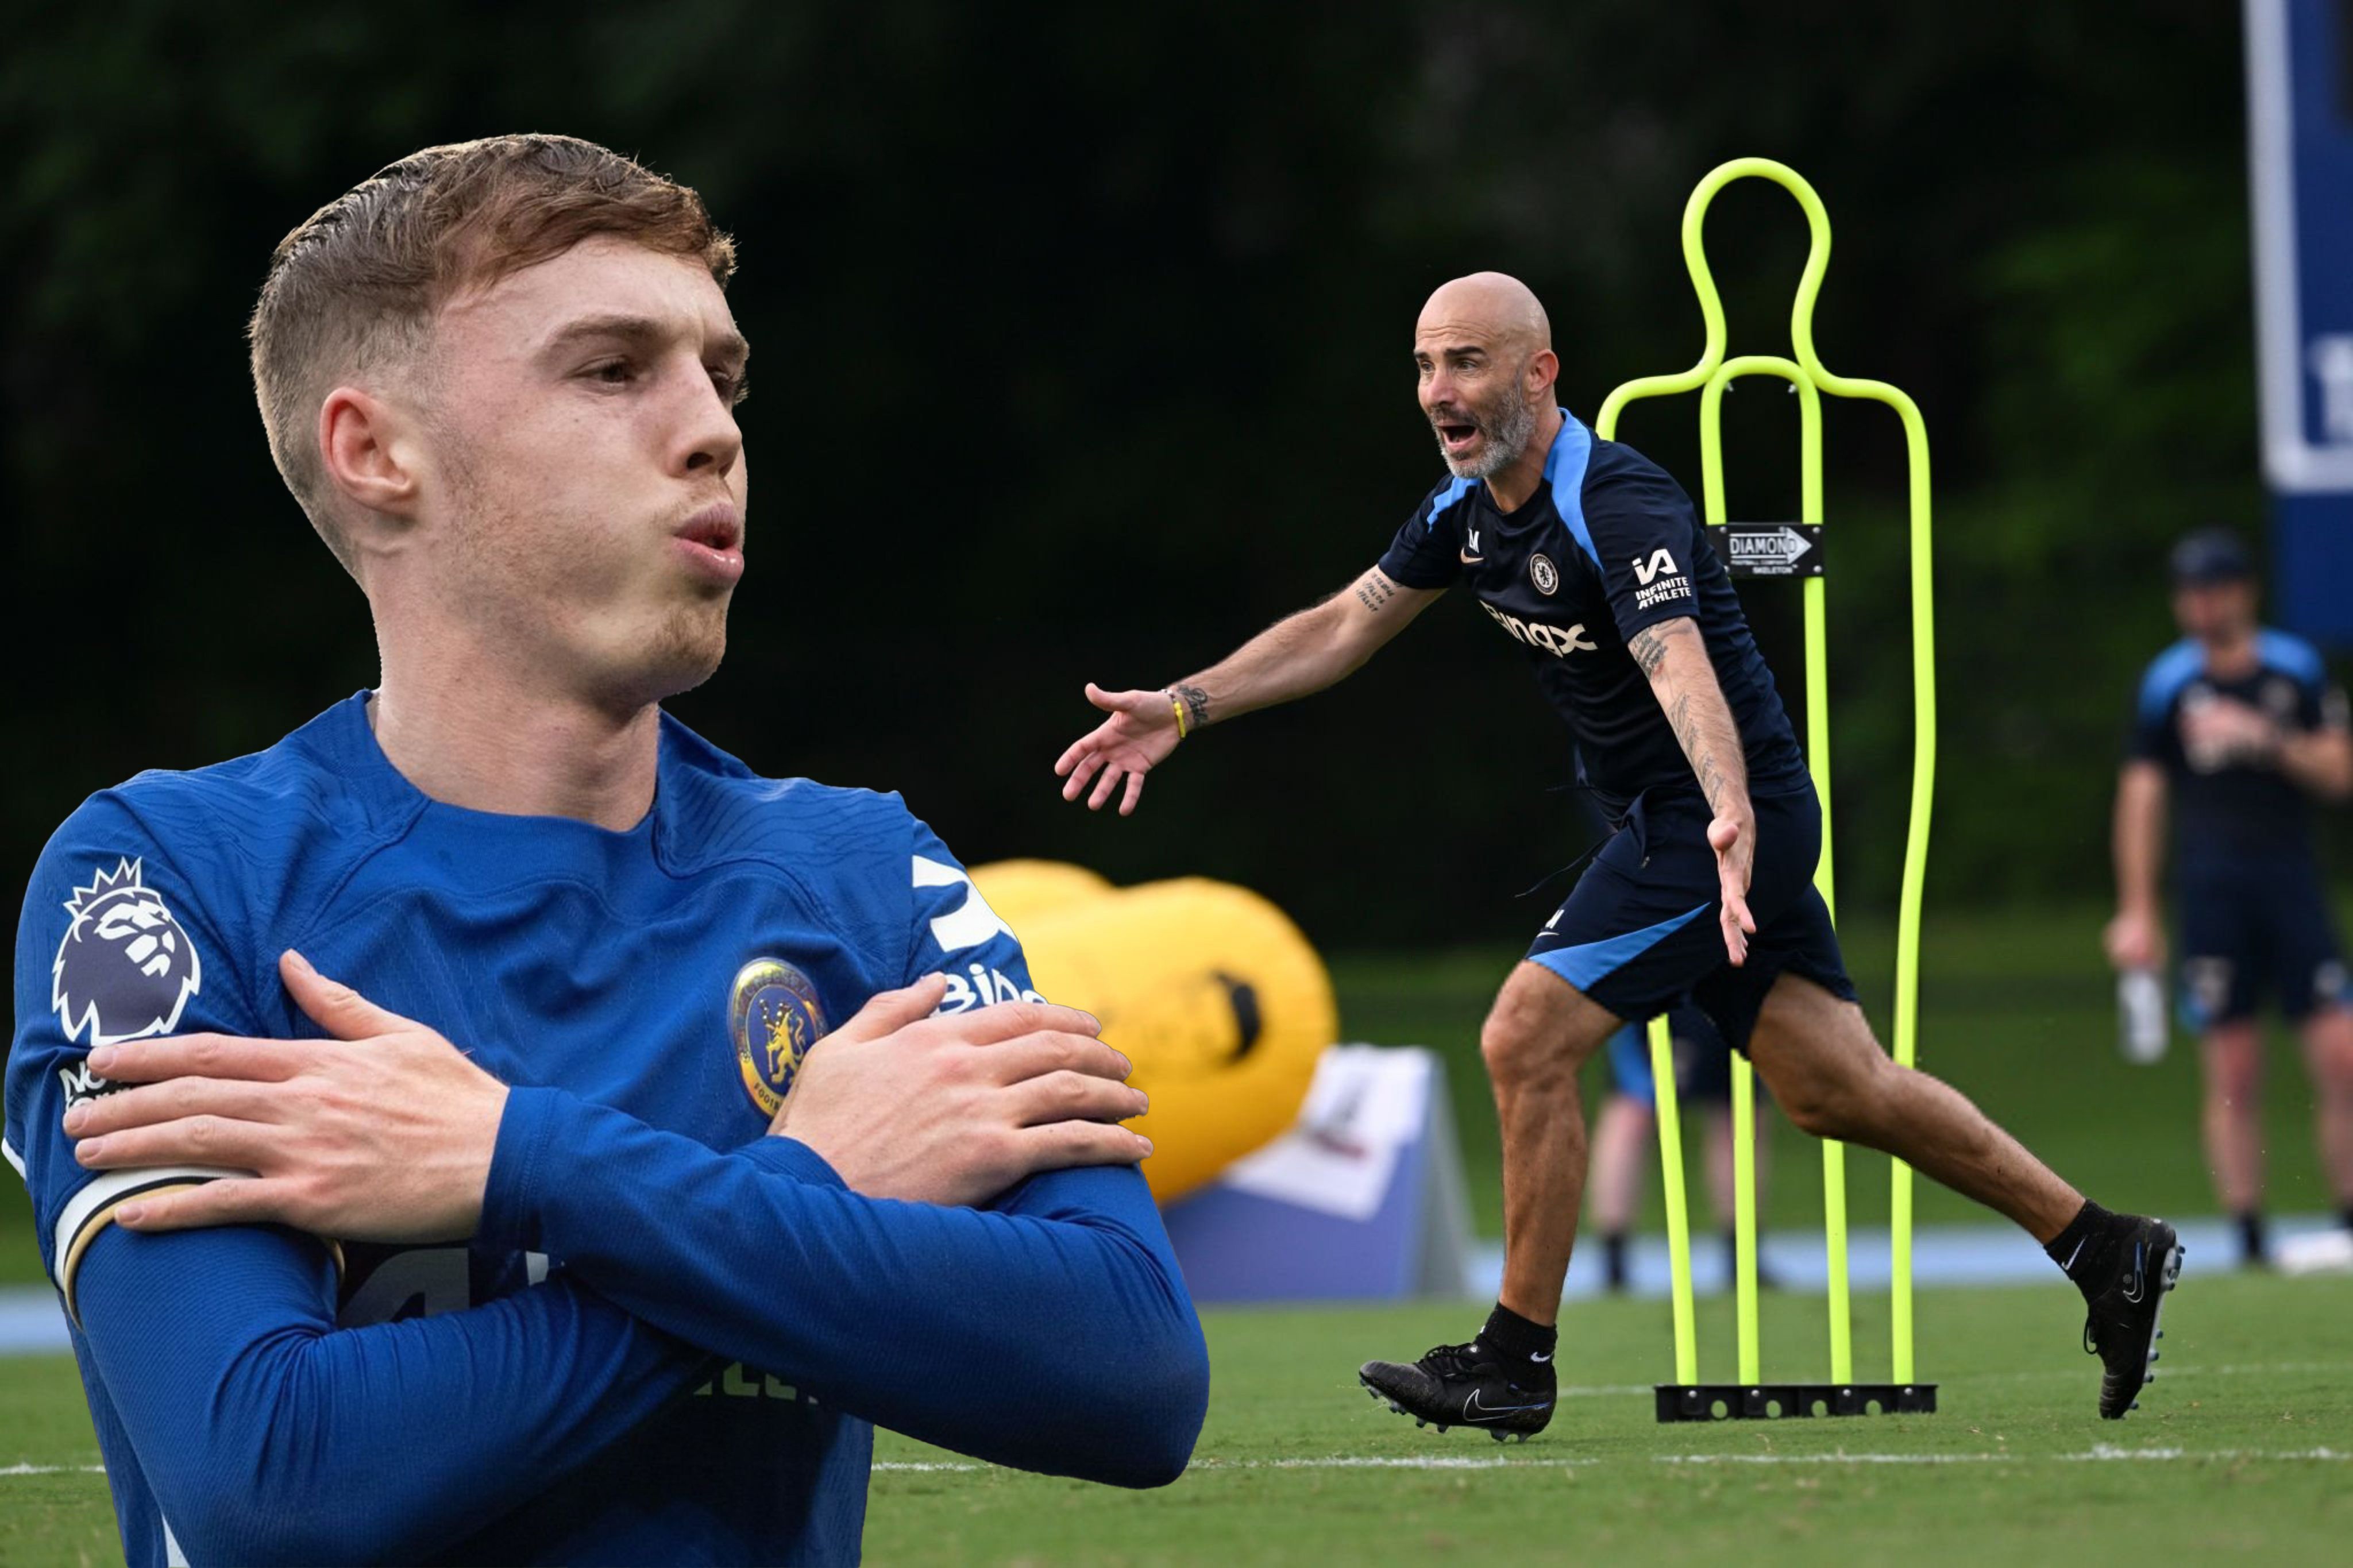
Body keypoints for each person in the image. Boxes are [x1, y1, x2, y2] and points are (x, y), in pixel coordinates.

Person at [4, 135, 1208, 1567]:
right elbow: (275, 1480)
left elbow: (1132, 1372)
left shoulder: (866, 880)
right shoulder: (167, 884)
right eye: (613, 369)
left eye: (723, 377)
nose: (712, 431)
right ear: (376, 453)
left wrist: (526, 1162)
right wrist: (809, 1194)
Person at [1055, 271, 2178, 1438]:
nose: (1439, 391)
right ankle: (2106, 1249)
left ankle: (1513, 1361)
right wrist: (1181, 707)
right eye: (1426, 366)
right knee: (1835, 1089)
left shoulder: (1615, 498)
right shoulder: (1463, 508)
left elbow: (1676, 659)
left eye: (1467, 362)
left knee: (1521, 1037)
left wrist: (1727, 817)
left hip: (1712, 821)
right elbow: (1347, 622)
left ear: (1539, 374)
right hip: (1679, 824)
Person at [2104, 528, 2353, 1268]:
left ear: (2243, 592)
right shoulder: (2167, 683)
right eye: (2189, 593)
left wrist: (2266, 739)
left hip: (2290, 884)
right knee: (2232, 1072)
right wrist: (2137, 908)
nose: (2201, 607)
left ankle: (2347, 1217)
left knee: (2341, 1057)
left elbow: (2339, 772)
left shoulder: (2293, 668)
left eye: (2213, 590)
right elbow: (2141, 797)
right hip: (2212, 892)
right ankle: (2248, 1234)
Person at [1586, 1007, 1777, 1293]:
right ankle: (1614, 1260)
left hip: (1725, 993)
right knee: (1631, 1109)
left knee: (1740, 1112)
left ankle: (1743, 1256)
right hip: (1656, 994)